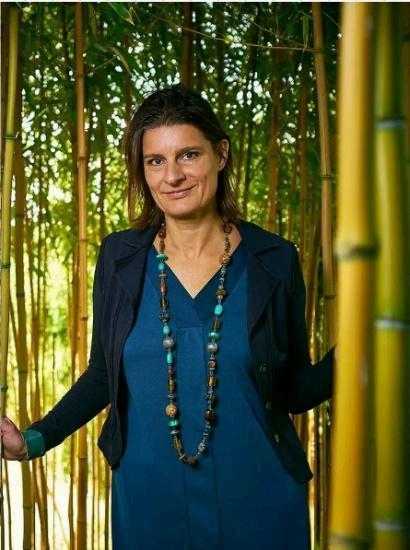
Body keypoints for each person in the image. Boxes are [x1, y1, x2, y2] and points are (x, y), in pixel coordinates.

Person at [1, 84, 335, 549]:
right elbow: (103, 375)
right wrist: (33, 440)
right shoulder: (120, 259)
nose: (172, 175)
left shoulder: (274, 260)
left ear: (221, 154)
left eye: (188, 155)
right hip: (148, 502)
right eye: (155, 161)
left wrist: (359, 352)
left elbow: (294, 389)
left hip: (259, 500)